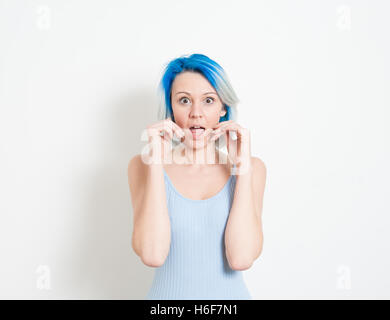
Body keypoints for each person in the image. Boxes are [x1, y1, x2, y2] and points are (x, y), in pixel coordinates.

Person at [127, 53, 266, 299]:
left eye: (209, 100)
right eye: (184, 100)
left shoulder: (252, 169)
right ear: (171, 108)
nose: (196, 113)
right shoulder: (142, 166)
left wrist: (241, 167)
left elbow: (241, 258)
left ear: (223, 108)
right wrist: (156, 161)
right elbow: (153, 254)